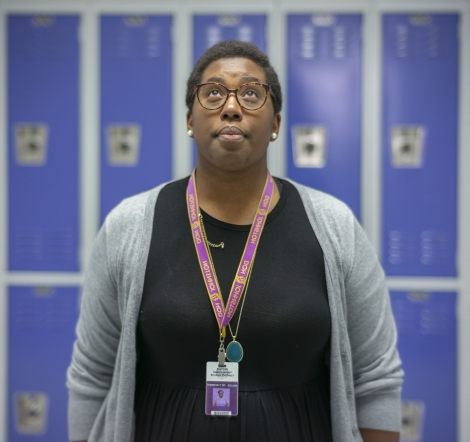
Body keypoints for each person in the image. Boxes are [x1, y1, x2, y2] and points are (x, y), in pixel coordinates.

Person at [67, 40, 403, 442]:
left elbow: (376, 376)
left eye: (250, 93)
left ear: (276, 123)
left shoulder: (335, 226)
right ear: (190, 119)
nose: (230, 106)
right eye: (212, 93)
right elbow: (92, 375)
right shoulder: (129, 225)